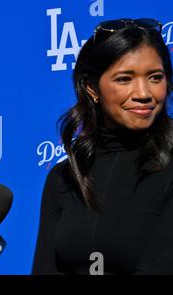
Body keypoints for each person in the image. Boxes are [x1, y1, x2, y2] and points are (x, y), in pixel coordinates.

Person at [32, 18, 173, 274]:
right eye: (124, 79)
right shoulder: (64, 178)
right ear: (91, 87)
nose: (143, 92)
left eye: (155, 77)